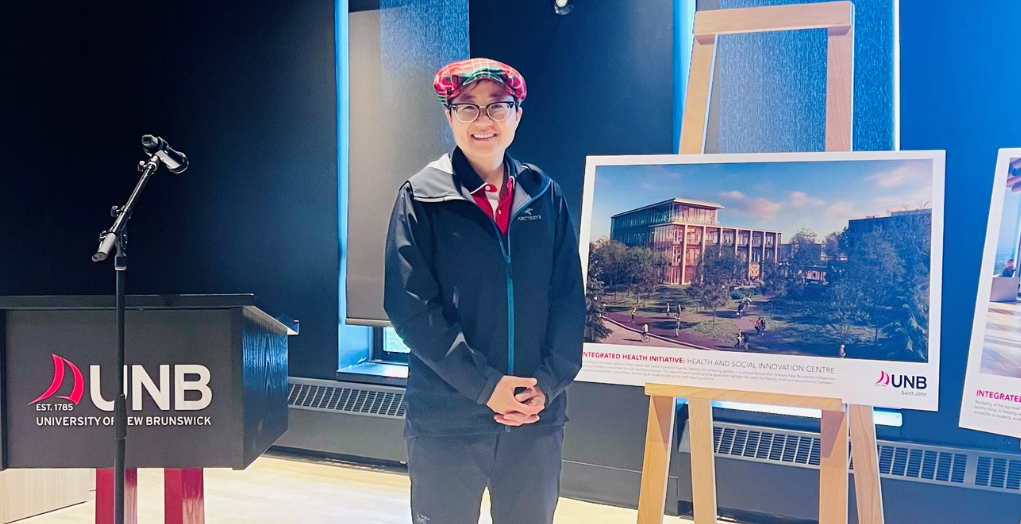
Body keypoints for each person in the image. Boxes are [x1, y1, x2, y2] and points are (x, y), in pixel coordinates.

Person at [384, 58, 585, 524]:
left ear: (517, 114)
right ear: (449, 115)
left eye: (497, 107)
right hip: (446, 418)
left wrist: (548, 384)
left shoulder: (544, 194)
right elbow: (410, 308)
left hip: (535, 415)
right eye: (468, 108)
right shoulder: (421, 196)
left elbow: (569, 299)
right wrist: (485, 386)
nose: (483, 121)